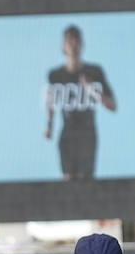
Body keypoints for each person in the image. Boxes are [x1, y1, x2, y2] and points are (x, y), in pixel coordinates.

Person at [44, 24, 116, 180]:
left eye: (76, 40)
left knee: (86, 181)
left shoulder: (94, 72)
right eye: (69, 40)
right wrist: (49, 126)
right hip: (68, 133)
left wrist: (94, 92)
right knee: (68, 179)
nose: (73, 44)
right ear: (63, 45)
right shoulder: (55, 75)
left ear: (82, 44)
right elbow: (50, 102)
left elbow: (113, 105)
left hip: (87, 134)